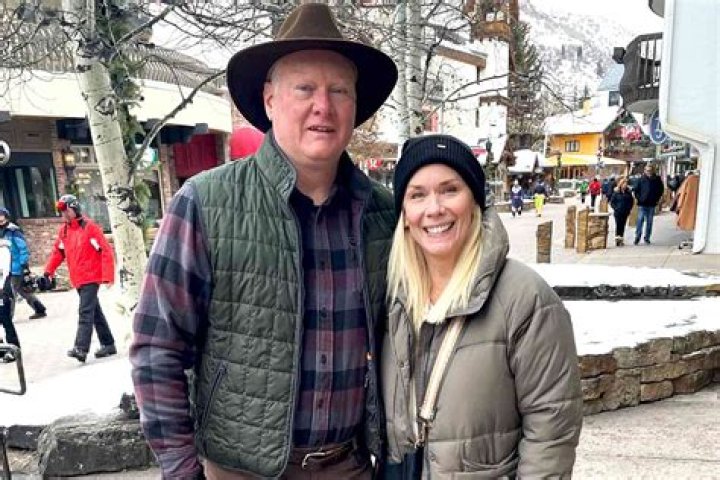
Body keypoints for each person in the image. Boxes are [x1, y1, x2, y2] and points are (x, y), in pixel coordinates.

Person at [130, 4, 398, 479]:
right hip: (239, 470)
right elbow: (158, 348)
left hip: (350, 466)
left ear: (356, 106)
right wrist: (183, 470)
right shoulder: (205, 203)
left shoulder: (385, 215)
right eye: (305, 88)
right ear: (270, 100)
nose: (323, 106)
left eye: (339, 90)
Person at [382, 134, 583, 478]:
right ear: (404, 214)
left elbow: (551, 433)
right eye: (417, 195)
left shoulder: (525, 299)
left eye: (450, 190)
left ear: (475, 200)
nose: (434, 208)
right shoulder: (393, 299)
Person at [44, 194, 117, 363]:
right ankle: (108, 344)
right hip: (77, 278)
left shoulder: (90, 228)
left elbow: (106, 251)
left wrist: (108, 276)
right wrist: (48, 271)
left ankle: (81, 348)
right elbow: (58, 253)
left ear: (75, 208)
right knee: (95, 312)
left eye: (66, 210)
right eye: (61, 212)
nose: (64, 214)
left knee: (85, 312)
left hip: (91, 277)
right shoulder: (64, 231)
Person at [0, 207, 47, 320]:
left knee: (10, 291)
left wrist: (23, 265)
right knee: (22, 290)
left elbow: (23, 248)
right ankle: (39, 309)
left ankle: (7, 316)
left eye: (1, 216)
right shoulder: (2, 232)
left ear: (6, 217)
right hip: (6, 266)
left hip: (16, 267)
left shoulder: (13, 231)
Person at [633, 164, 664, 245]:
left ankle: (647, 237)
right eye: (647, 170)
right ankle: (637, 236)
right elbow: (636, 190)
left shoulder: (657, 179)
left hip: (652, 203)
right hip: (642, 203)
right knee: (640, 220)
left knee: (649, 221)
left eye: (650, 170)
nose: (648, 172)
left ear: (653, 171)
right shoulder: (641, 179)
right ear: (644, 171)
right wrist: (639, 198)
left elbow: (661, 190)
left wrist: (656, 199)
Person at [0, 238, 20, 363]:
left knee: (5, 319)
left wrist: (1, 287)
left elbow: (4, 272)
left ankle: (13, 348)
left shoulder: (3, 249)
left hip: (2, 288)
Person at [609, 177, 634, 246]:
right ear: (621, 184)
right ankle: (617, 240)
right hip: (618, 212)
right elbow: (612, 202)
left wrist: (629, 209)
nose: (625, 185)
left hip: (625, 212)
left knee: (623, 225)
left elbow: (631, 202)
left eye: (626, 183)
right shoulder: (616, 192)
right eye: (624, 183)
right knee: (618, 225)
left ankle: (621, 239)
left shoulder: (628, 193)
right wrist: (616, 208)